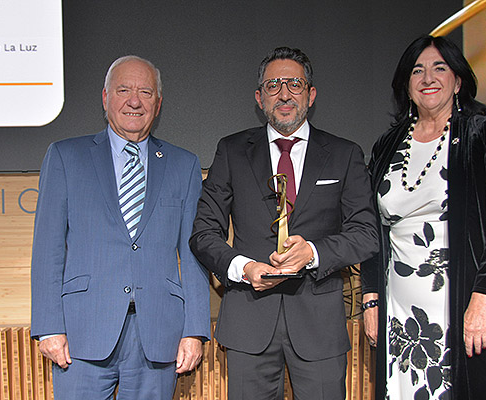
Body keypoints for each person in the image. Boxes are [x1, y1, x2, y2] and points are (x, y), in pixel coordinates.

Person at [190, 47, 378, 399]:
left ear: (311, 94)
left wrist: (313, 252)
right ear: (260, 98)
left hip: (319, 323)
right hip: (249, 321)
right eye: (274, 85)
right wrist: (242, 268)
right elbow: (203, 232)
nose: (285, 93)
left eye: (294, 83)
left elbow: (366, 234)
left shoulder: (344, 154)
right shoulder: (231, 151)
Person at [360, 35, 486, 399]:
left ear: (458, 80)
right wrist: (372, 297)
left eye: (440, 67)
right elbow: (372, 230)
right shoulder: (387, 145)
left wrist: (484, 299)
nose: (428, 77)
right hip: (401, 312)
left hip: (466, 302)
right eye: (417, 70)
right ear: (406, 86)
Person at [30, 55, 211, 399]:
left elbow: (193, 253)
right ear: (105, 97)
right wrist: (48, 326)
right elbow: (48, 249)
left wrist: (195, 330)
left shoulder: (183, 165)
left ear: (158, 105)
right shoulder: (66, 157)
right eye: (123, 90)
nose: (134, 101)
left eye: (145, 92)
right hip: (81, 334)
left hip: (158, 335)